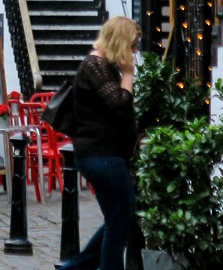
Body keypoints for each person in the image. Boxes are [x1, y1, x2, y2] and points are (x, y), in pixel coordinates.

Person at [58, 15, 141, 270]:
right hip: (101, 155)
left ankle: (74, 268)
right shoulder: (96, 66)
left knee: (119, 218)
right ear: (121, 42)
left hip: (105, 155)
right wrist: (128, 74)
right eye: (133, 45)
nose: (135, 52)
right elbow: (120, 104)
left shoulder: (102, 66)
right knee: (120, 221)